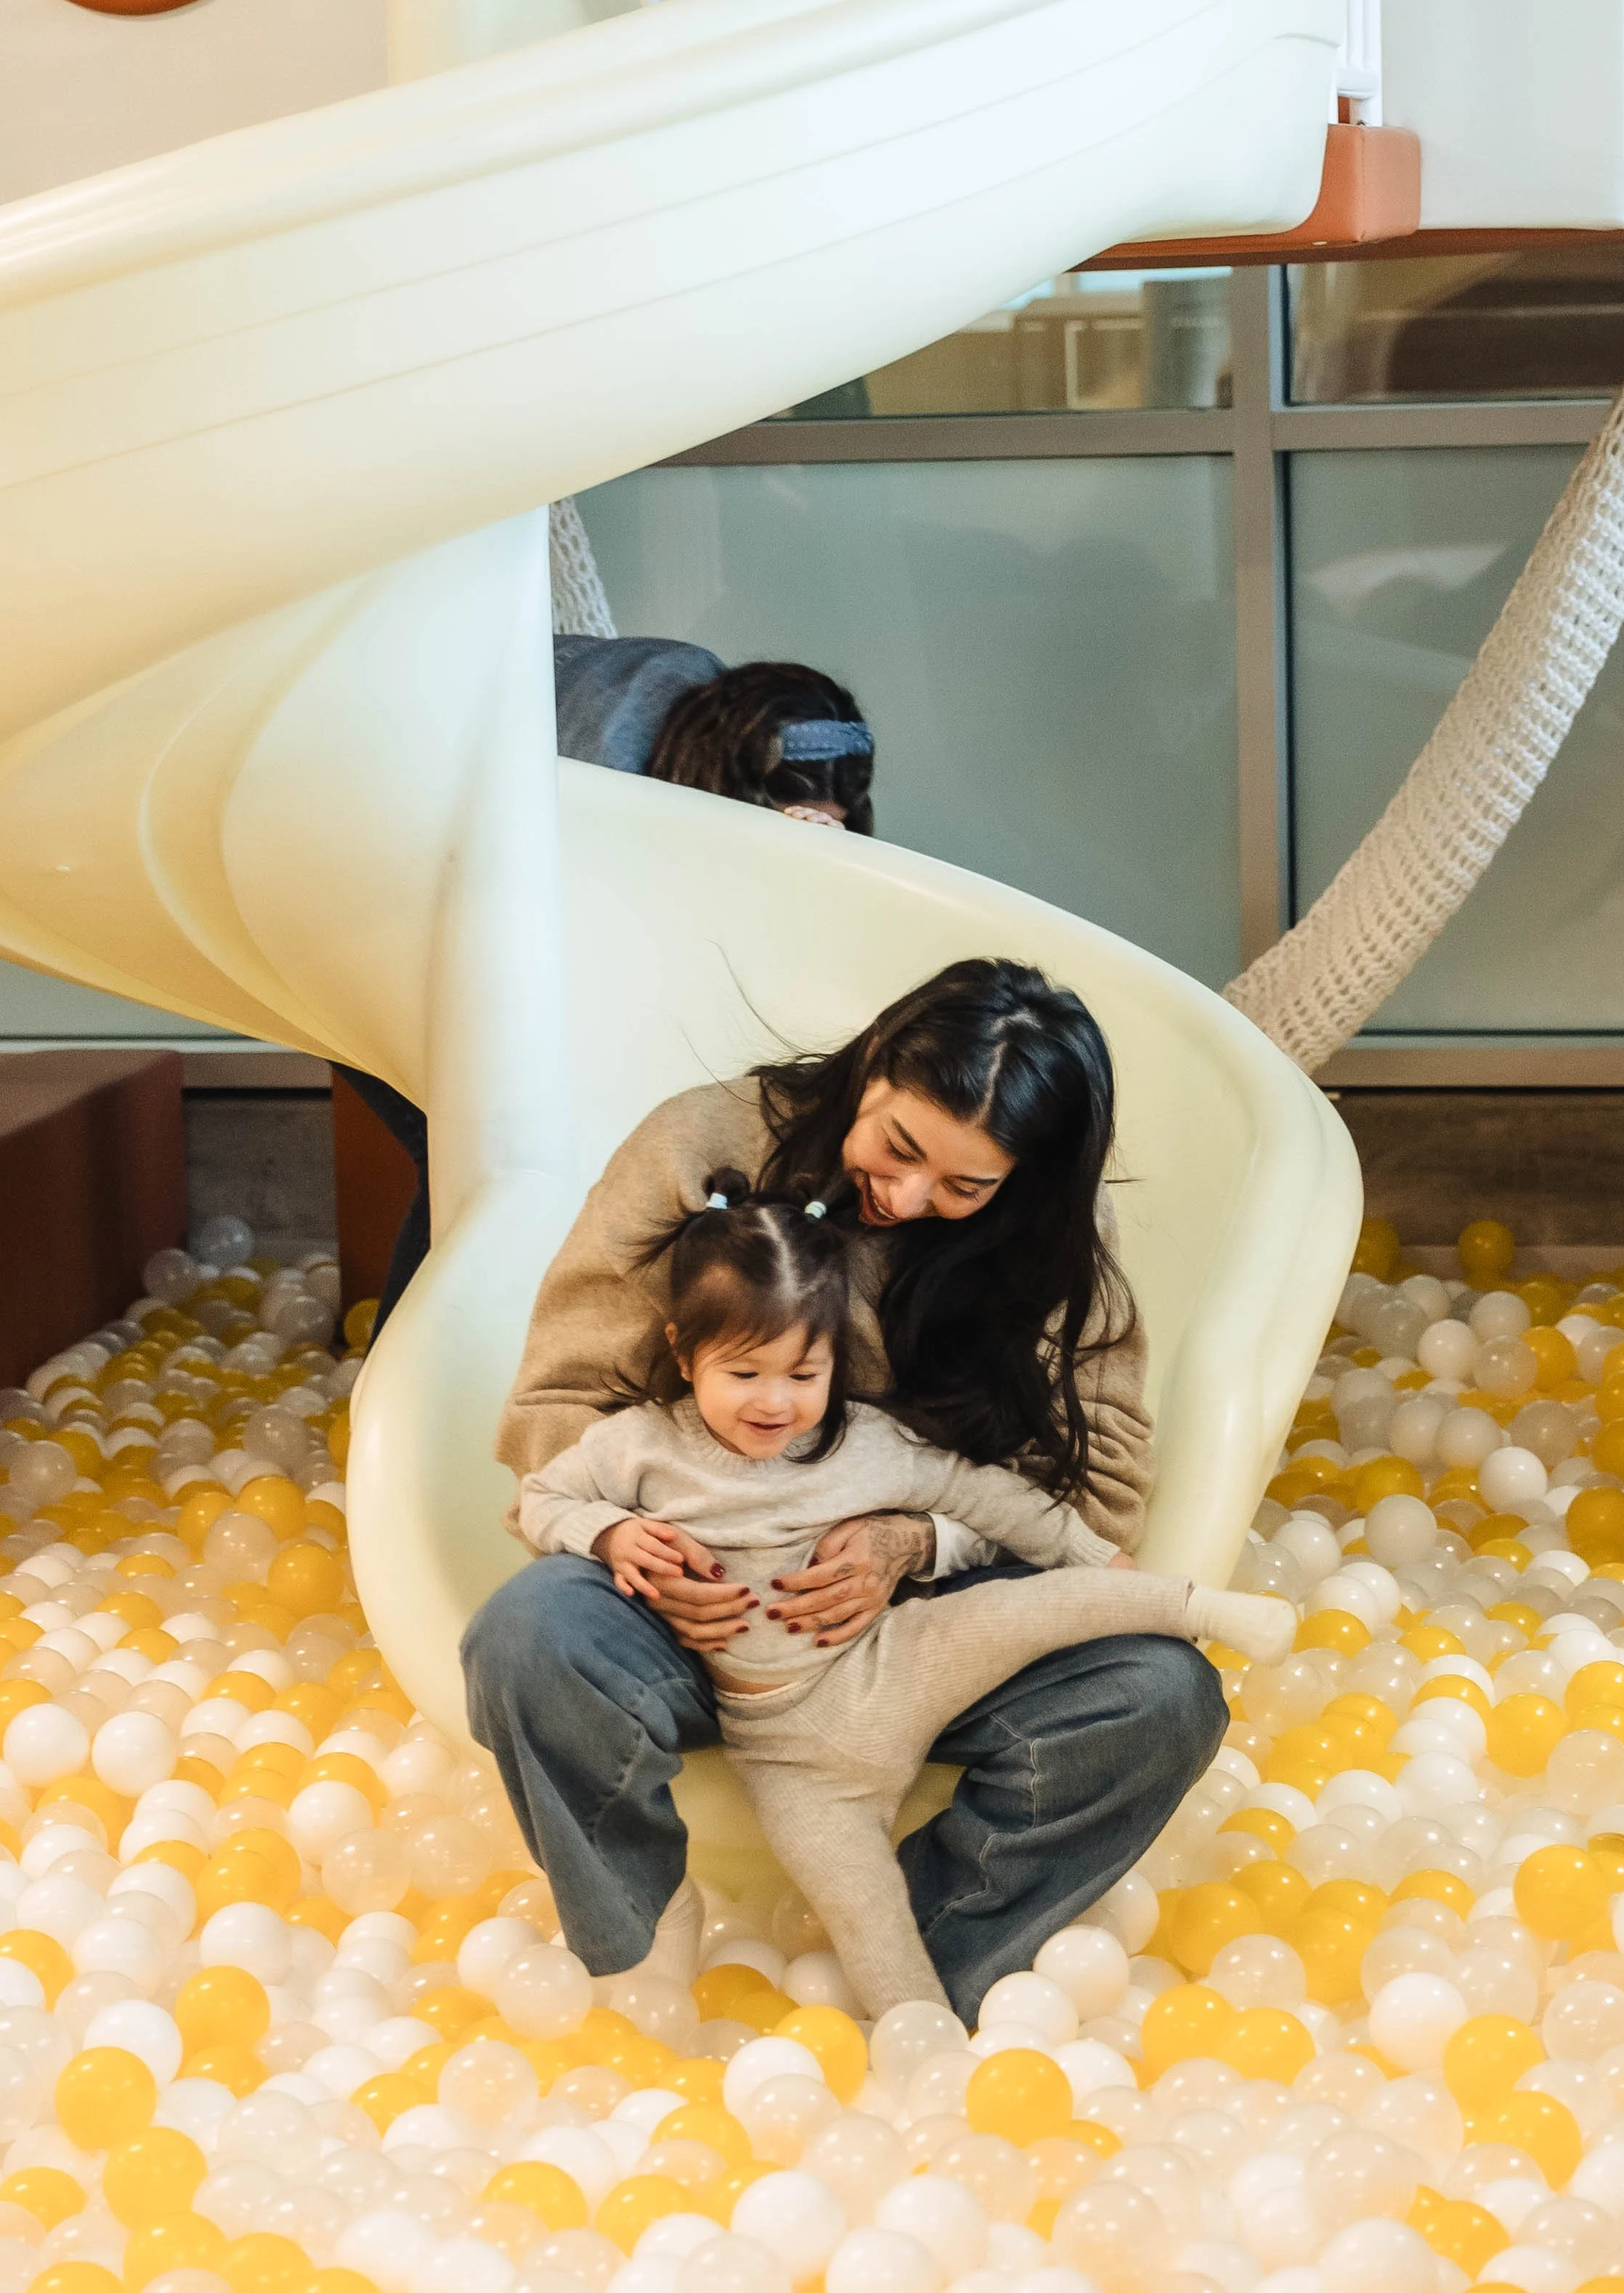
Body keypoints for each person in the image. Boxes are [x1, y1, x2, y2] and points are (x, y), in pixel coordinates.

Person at [462, 957, 1232, 2026]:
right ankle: (635, 1927)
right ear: (871, 1064)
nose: (909, 1198)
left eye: (965, 1187)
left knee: (1160, 1697)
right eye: (899, 1147)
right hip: (698, 1612)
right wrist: (635, 1538)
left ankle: (912, 1964)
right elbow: (558, 1400)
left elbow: (1093, 1509)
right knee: (526, 1633)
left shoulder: (1048, 1250)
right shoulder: (699, 1149)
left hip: (919, 1646)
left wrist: (912, 1540)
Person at [514, 1170, 1290, 2016]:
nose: (775, 1402)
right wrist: (610, 1534)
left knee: (1017, 1611)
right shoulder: (639, 1446)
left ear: (835, 1360)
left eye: (802, 1374)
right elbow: (541, 1498)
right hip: (776, 1738)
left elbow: (989, 1499)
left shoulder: (868, 1445)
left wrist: (1087, 1552)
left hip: (886, 1664)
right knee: (863, 1909)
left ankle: (1200, 1607)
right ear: (681, 1351)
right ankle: (916, 2035)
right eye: (743, 1373)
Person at [341, 643, 876, 1331]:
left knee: (486, 1160)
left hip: (437, 891)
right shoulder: (602, 781)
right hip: (385, 912)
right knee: (467, 1157)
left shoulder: (709, 722)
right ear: (734, 798)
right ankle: (421, 1400)